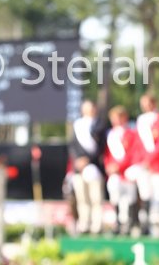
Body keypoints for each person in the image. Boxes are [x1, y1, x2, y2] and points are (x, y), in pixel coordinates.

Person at [68, 100, 108, 234]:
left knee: (96, 198)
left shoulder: (100, 125)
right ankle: (84, 224)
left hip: (94, 166)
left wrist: (88, 160)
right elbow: (72, 145)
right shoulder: (77, 125)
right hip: (79, 168)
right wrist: (78, 161)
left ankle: (97, 225)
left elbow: (101, 147)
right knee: (82, 198)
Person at [134, 93, 159, 237]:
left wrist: (149, 160)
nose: (146, 106)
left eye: (148, 103)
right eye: (143, 104)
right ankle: (145, 224)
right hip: (144, 165)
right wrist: (141, 161)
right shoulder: (141, 121)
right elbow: (138, 144)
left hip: (158, 164)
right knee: (145, 195)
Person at [104, 105, 141, 235]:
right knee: (115, 195)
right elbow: (107, 155)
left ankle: (130, 222)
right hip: (115, 173)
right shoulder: (110, 135)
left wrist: (119, 166)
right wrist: (109, 166)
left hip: (127, 171)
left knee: (129, 197)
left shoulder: (131, 133)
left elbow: (133, 153)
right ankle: (118, 222)